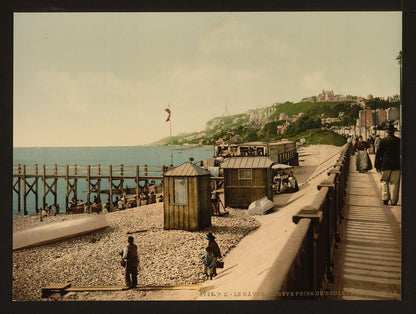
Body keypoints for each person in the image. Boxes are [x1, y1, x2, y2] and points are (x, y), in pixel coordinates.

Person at [375, 124, 401, 205]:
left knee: (384, 181)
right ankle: (394, 201)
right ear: (394, 131)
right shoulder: (399, 141)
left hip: (385, 164)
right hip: (397, 165)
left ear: (386, 131)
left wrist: (377, 165)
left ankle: (385, 198)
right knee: (395, 183)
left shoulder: (383, 141)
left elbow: (378, 154)